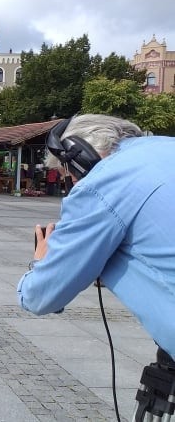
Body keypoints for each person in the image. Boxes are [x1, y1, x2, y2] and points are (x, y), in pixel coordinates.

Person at [17, 114, 175, 385]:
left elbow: (41, 296)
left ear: (82, 157)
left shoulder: (104, 181)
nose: (74, 185)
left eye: (71, 175)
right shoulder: (166, 147)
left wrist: (42, 261)